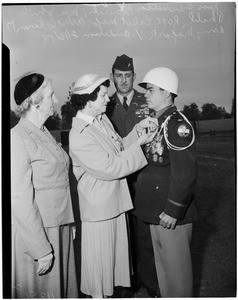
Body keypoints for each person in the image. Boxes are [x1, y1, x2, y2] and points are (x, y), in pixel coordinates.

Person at [68, 73, 158, 298]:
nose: (108, 99)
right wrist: (140, 145)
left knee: (112, 272)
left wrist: (138, 130)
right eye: (102, 96)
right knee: (100, 275)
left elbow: (119, 149)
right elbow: (110, 167)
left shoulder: (101, 120)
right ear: (88, 100)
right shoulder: (79, 135)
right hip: (99, 213)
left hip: (115, 206)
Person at [133, 67, 200, 297]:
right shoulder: (157, 122)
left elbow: (186, 173)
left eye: (150, 89)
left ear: (167, 93)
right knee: (165, 278)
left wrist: (173, 210)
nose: (145, 94)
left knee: (178, 280)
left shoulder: (176, 124)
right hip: (156, 211)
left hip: (171, 215)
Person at [11, 72, 78, 298]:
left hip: (58, 227)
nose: (56, 100)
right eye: (51, 95)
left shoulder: (44, 133)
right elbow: (19, 200)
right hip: (39, 236)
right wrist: (41, 249)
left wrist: (70, 222)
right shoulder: (18, 137)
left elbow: (59, 182)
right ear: (35, 103)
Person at [106, 54, 159, 297]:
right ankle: (125, 282)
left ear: (134, 77)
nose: (124, 81)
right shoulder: (104, 105)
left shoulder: (146, 100)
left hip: (143, 174)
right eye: (119, 76)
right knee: (120, 230)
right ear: (112, 78)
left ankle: (149, 280)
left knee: (144, 231)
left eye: (128, 76)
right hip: (117, 176)